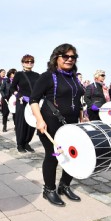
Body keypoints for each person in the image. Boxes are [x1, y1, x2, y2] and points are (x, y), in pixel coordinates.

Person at [31, 44, 85, 206]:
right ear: (56, 58)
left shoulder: (74, 77)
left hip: (72, 123)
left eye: (73, 57)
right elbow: (34, 100)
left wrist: (83, 116)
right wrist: (39, 120)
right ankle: (49, 190)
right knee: (53, 155)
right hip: (51, 123)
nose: (69, 59)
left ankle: (64, 186)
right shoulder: (47, 76)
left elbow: (77, 99)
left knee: (72, 155)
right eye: (65, 56)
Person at [9, 54, 40, 153]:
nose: (29, 63)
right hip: (22, 101)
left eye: (31, 61)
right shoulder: (19, 74)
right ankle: (20, 144)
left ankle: (27, 143)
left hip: (33, 102)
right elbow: (12, 87)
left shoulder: (37, 75)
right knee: (21, 123)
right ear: (23, 63)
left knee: (32, 123)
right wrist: (18, 95)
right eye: (27, 61)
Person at [0, 68, 16, 132]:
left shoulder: (17, 81)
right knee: (5, 114)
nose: (15, 74)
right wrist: (4, 97)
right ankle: (4, 126)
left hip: (14, 100)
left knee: (15, 114)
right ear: (10, 74)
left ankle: (16, 126)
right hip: (6, 99)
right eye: (14, 73)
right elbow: (1, 90)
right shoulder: (6, 81)